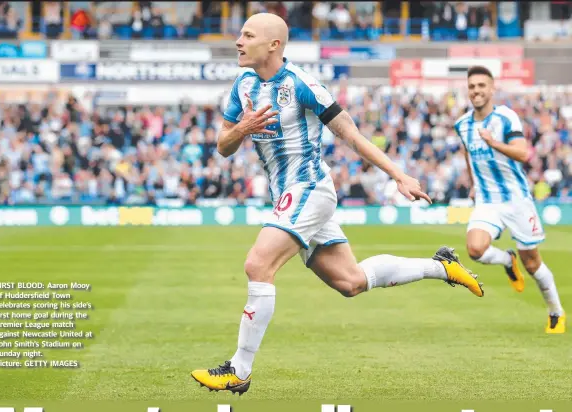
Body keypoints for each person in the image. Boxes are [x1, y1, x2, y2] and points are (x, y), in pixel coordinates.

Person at [190, 13, 484, 395]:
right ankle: (441, 266)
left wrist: (398, 175)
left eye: (247, 35)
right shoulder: (243, 84)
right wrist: (241, 130)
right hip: (287, 196)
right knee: (351, 282)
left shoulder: (302, 84)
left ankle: (238, 369)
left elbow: (351, 135)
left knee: (257, 264)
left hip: (310, 187)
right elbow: (223, 146)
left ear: (273, 45)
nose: (238, 41)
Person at [455, 65, 565, 334]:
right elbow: (469, 154)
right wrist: (472, 184)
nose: (476, 91)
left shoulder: (506, 118)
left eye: (481, 85)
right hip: (487, 201)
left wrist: (493, 143)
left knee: (532, 263)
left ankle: (555, 312)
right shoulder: (462, 124)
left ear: (492, 89)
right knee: (474, 249)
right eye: (472, 86)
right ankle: (506, 260)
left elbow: (523, 153)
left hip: (516, 200)